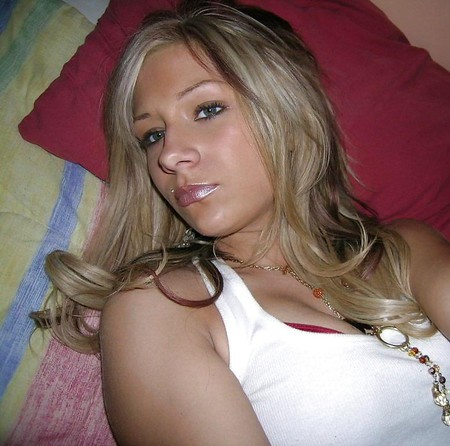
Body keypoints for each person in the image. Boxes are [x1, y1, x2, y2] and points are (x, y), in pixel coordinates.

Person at [35, 0, 450, 444]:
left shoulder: (407, 248)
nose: (169, 155)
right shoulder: (163, 308)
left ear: (290, 114)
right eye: (152, 135)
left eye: (206, 110)